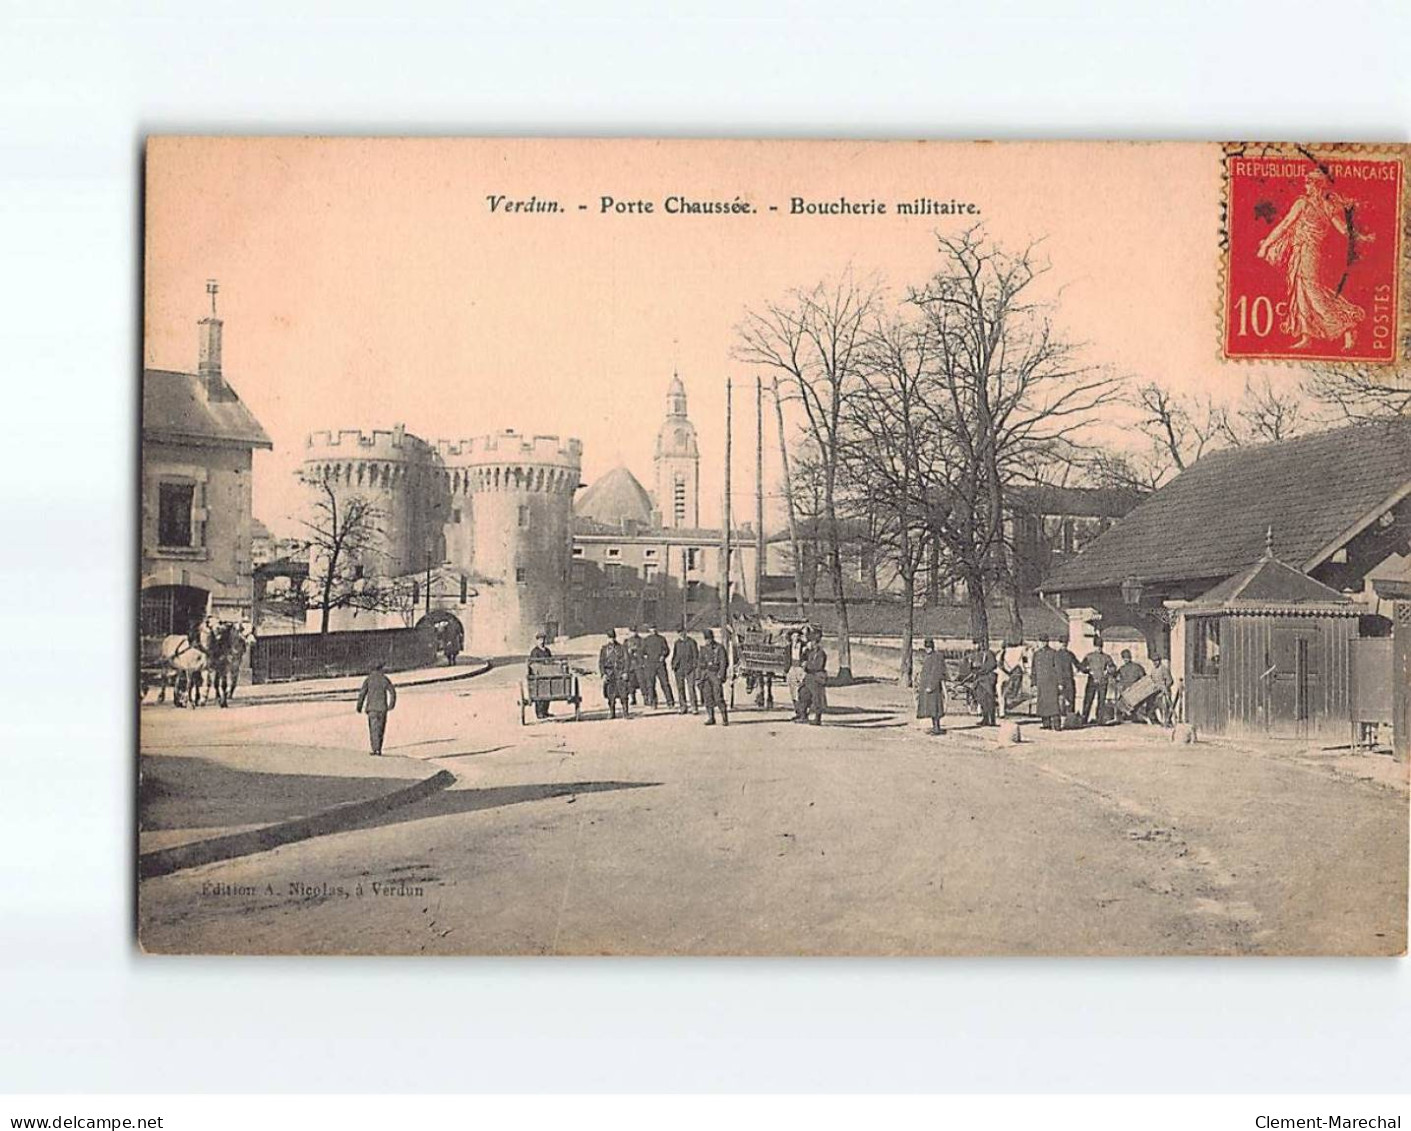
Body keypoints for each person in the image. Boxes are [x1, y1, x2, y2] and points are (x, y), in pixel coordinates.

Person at [355, 661, 398, 756]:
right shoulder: (384, 679)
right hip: (382, 709)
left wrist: (359, 706)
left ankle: (375, 749)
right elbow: (392, 692)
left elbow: (362, 694)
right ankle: (379, 748)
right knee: (381, 729)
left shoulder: (368, 679)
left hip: (372, 709)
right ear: (381, 669)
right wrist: (391, 704)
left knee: (373, 729)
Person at [793, 629, 829, 726]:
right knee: (803, 694)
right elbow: (802, 660)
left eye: (812, 643)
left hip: (816, 677)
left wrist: (807, 665)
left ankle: (817, 719)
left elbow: (818, 666)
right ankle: (803, 715)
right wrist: (804, 654)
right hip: (808, 678)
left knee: (816, 698)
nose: (810, 644)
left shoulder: (821, 653)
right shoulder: (810, 653)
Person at [1079, 636, 1116, 726]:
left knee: (1101, 701)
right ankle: (1084, 719)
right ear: (1094, 646)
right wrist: (1087, 670)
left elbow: (1113, 668)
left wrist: (1108, 672)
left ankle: (1099, 719)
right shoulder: (1089, 656)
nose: (1098, 649)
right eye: (1097, 646)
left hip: (1103, 681)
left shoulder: (1106, 657)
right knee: (1088, 700)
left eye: (1100, 647)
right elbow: (1081, 666)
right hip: (1092, 681)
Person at [697, 628, 730, 726]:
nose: (707, 641)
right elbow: (699, 662)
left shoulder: (719, 648)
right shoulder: (703, 649)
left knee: (718, 697)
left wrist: (721, 675)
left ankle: (724, 718)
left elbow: (724, 663)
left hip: (715, 675)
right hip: (706, 675)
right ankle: (711, 717)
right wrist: (699, 676)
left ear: (712, 638)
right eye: (706, 639)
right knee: (707, 697)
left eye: (709, 639)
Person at [915, 638, 947, 735]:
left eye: (929, 647)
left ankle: (937, 728)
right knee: (931, 708)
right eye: (926, 647)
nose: (927, 649)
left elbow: (936, 673)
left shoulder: (937, 657)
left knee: (935, 708)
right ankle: (934, 727)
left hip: (933, 687)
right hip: (927, 686)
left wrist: (931, 685)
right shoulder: (929, 657)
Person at [598, 629, 631, 719]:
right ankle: (612, 712)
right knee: (610, 694)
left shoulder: (621, 648)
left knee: (623, 694)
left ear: (615, 637)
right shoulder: (604, 649)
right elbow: (601, 662)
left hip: (620, 673)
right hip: (609, 674)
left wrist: (625, 672)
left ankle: (625, 712)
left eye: (612, 638)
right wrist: (603, 674)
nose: (611, 640)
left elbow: (627, 660)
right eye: (609, 638)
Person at [1031, 633, 1061, 730]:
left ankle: (1057, 724)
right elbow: (1033, 670)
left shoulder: (1053, 653)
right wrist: (1033, 683)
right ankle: (1046, 723)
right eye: (1041, 641)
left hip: (1051, 682)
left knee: (1053, 703)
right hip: (1041, 682)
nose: (1043, 643)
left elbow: (1058, 669)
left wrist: (1060, 682)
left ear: (1047, 642)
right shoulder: (1036, 654)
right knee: (1043, 703)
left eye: (1045, 641)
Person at [640, 624, 674, 708]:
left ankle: (670, 702)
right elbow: (641, 652)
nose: (653, 630)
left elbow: (666, 650)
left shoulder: (661, 639)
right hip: (650, 665)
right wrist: (645, 658)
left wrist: (663, 655)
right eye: (651, 629)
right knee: (651, 684)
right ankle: (653, 702)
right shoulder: (646, 640)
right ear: (649, 630)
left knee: (665, 683)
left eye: (654, 628)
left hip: (660, 664)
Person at [967, 637, 999, 727]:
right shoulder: (976, 655)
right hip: (979, 680)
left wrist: (981, 670)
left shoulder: (989, 654)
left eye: (978, 644)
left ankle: (992, 720)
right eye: (975, 644)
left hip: (987, 679)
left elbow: (992, 665)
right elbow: (972, 666)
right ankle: (985, 718)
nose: (976, 646)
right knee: (981, 700)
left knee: (989, 700)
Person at [671, 627, 700, 714]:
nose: (681, 634)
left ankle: (694, 707)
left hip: (690, 668)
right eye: (679, 632)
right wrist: (673, 665)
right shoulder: (677, 643)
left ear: (685, 632)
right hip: (679, 668)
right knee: (680, 689)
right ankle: (683, 706)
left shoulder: (691, 642)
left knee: (691, 688)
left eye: (682, 632)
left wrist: (694, 666)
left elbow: (696, 656)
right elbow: (675, 654)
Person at [1115, 648, 1149, 722]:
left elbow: (1143, 679)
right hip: (1129, 691)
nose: (1126, 659)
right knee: (1121, 703)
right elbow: (1144, 678)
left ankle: (1130, 716)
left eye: (1126, 658)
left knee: (1122, 704)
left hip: (1132, 691)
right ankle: (1128, 715)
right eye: (1125, 658)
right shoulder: (1124, 668)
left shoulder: (1134, 667)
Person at [528, 631, 554, 719]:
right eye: (540, 640)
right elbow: (533, 665)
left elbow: (551, 662)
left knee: (549, 693)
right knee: (539, 694)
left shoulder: (547, 651)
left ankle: (545, 711)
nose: (542, 641)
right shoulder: (534, 652)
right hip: (538, 676)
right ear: (537, 641)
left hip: (547, 675)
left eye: (543, 639)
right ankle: (539, 712)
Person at [1055, 638, 1078, 726]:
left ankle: (1070, 722)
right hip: (1060, 681)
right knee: (1061, 702)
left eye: (1065, 643)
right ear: (1059, 643)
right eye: (1062, 642)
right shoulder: (1056, 655)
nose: (1064, 644)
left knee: (1071, 700)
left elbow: (1077, 664)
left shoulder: (1070, 654)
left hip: (1070, 681)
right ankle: (1060, 722)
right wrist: (1060, 682)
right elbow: (1057, 669)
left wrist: (1086, 669)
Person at [1151, 656, 1175, 726]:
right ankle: (1162, 721)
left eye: (1156, 661)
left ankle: (1168, 722)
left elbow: (1170, 681)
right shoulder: (1153, 670)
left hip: (1164, 691)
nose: (1155, 663)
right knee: (1159, 707)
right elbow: (1152, 680)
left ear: (1159, 661)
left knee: (1166, 708)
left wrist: (1165, 687)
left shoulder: (1164, 669)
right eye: (1154, 661)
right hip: (1157, 692)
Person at [624, 627, 645, 706]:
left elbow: (643, 649)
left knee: (642, 682)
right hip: (630, 665)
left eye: (635, 631)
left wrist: (637, 651)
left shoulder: (641, 640)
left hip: (639, 663)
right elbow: (624, 652)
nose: (634, 633)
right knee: (631, 683)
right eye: (632, 631)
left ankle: (645, 698)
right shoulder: (627, 642)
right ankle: (633, 698)